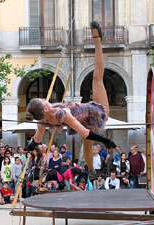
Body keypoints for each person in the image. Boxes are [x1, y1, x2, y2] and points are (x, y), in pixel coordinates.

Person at [24, 22, 116, 178]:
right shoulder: (63, 114)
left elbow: (37, 140)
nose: (45, 99)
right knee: (97, 79)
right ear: (45, 109)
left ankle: (91, 171)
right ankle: (97, 40)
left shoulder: (42, 121)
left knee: (86, 142)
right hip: (97, 112)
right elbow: (87, 133)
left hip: (85, 114)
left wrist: (29, 147)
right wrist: (106, 141)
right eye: (43, 100)